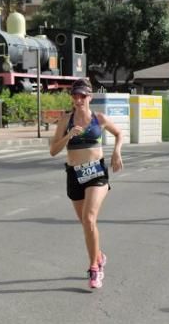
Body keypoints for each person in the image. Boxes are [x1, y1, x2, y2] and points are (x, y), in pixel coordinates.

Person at [49, 78, 123, 290]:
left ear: (90, 97)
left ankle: (94, 268)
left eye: (82, 96)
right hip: (74, 174)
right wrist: (68, 136)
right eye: (75, 96)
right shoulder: (66, 120)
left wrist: (117, 151)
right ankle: (98, 254)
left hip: (96, 173)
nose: (78, 99)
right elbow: (53, 150)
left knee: (89, 218)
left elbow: (119, 134)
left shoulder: (98, 118)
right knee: (84, 222)